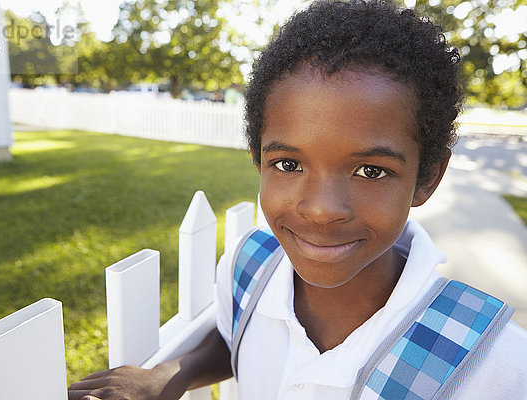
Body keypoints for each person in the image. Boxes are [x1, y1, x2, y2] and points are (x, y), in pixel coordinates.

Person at [68, 1, 527, 399]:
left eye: (371, 171)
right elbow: (240, 336)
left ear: (427, 177)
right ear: (258, 160)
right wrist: (173, 373)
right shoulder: (250, 264)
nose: (321, 208)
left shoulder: (498, 367)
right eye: (289, 164)